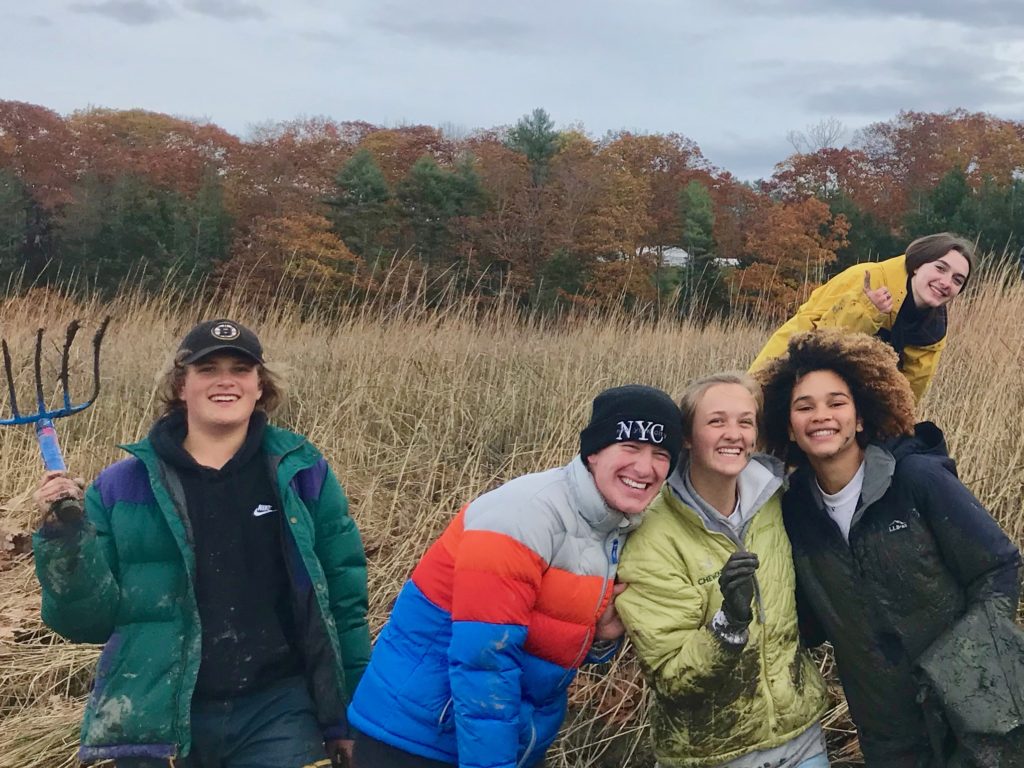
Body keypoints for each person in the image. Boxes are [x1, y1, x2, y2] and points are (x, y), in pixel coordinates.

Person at [32, 319, 371, 768]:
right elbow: (85, 624)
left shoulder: (304, 475)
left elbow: (345, 603)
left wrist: (349, 718)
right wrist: (64, 540)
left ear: (259, 386)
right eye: (207, 368)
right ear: (181, 385)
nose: (225, 380)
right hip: (156, 713)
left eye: (241, 369)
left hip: (277, 711)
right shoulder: (120, 488)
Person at [346, 385, 683, 768]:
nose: (645, 467)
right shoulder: (522, 515)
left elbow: (539, 633)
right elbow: (484, 660)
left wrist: (597, 639)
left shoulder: (610, 526)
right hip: (417, 740)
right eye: (630, 448)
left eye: (660, 454)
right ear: (593, 451)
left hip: (497, 737)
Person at [755, 329, 1022, 767]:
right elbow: (810, 622)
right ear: (789, 426)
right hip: (886, 727)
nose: (821, 415)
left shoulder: (916, 479)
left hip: (978, 711)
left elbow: (998, 568)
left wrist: (967, 670)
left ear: (860, 417)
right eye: (804, 407)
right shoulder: (792, 512)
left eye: (836, 402)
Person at [615, 373, 830, 768]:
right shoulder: (652, 533)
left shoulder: (776, 498)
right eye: (716, 421)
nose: (734, 433)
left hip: (801, 738)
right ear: (687, 436)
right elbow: (672, 678)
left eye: (745, 422)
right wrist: (728, 623)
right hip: (712, 754)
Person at [749, 232, 975, 403]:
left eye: (957, 280)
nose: (946, 282)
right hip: (787, 376)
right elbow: (817, 338)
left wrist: (892, 426)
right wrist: (869, 311)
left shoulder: (933, 331)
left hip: (848, 406)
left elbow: (909, 389)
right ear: (917, 264)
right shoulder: (867, 278)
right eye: (940, 268)